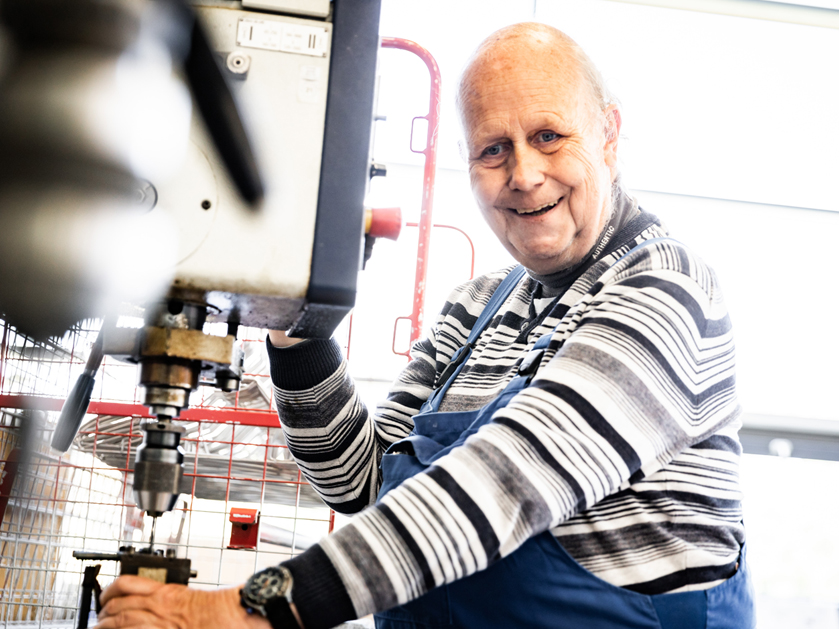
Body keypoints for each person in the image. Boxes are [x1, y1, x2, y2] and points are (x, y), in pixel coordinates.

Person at [96, 22, 754, 629]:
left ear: (608, 134)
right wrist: (296, 321)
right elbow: (363, 482)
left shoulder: (666, 289)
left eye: (548, 136)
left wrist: (253, 609)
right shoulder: (479, 306)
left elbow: (506, 481)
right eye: (493, 150)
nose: (523, 175)